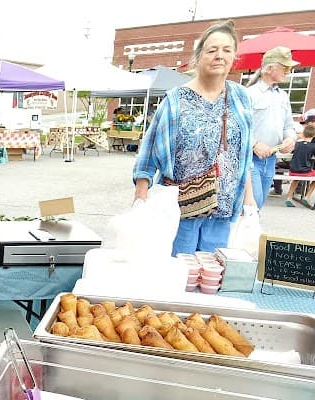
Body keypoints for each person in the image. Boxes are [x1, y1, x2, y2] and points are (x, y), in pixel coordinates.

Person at [133, 20, 257, 255]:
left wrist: (248, 200)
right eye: (212, 50)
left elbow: (244, 154)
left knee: (211, 275)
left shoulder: (241, 98)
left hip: (223, 208)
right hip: (181, 209)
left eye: (227, 50)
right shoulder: (176, 100)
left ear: (234, 57)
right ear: (199, 56)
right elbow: (148, 152)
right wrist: (141, 196)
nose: (219, 56)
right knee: (177, 273)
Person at [246, 46, 298, 210]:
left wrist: (290, 138)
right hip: (250, 159)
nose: (288, 71)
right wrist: (254, 144)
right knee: (252, 206)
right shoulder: (249, 93)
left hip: (271, 159)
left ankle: (249, 234)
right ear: (269, 68)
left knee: (257, 207)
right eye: (285, 67)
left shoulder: (283, 96)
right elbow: (238, 128)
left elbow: (289, 125)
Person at [286, 123, 315, 204]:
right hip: (305, 172)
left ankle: (289, 198)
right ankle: (307, 196)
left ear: (304, 133)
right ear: (314, 135)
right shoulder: (313, 146)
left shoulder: (297, 144)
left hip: (293, 171)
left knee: (296, 179)